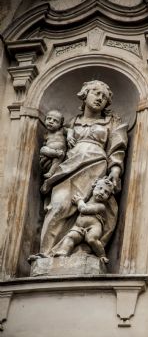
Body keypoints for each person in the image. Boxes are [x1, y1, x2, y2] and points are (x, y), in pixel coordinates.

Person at [39, 80, 128, 258]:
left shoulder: (112, 123)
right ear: (84, 95)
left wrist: (115, 171)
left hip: (96, 168)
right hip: (69, 167)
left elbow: (117, 149)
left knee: (88, 209)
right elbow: (57, 144)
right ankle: (45, 255)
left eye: (104, 97)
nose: (100, 99)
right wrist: (49, 158)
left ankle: (77, 250)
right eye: (96, 93)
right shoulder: (71, 124)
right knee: (59, 205)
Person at [51, 177, 115, 263]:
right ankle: (63, 251)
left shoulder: (101, 206)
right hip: (79, 227)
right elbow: (87, 196)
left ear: (108, 197)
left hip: (93, 226)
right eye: (100, 188)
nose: (102, 192)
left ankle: (102, 255)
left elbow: (84, 209)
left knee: (91, 239)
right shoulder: (87, 201)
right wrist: (83, 198)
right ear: (94, 187)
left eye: (106, 192)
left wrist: (79, 201)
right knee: (70, 237)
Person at [40, 110, 66, 179]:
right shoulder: (46, 134)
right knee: (43, 149)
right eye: (49, 118)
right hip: (52, 151)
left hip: (60, 151)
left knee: (57, 160)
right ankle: (55, 153)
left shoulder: (62, 130)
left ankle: (51, 172)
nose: (51, 121)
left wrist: (69, 137)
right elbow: (45, 143)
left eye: (55, 121)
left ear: (60, 125)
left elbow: (71, 130)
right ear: (45, 120)